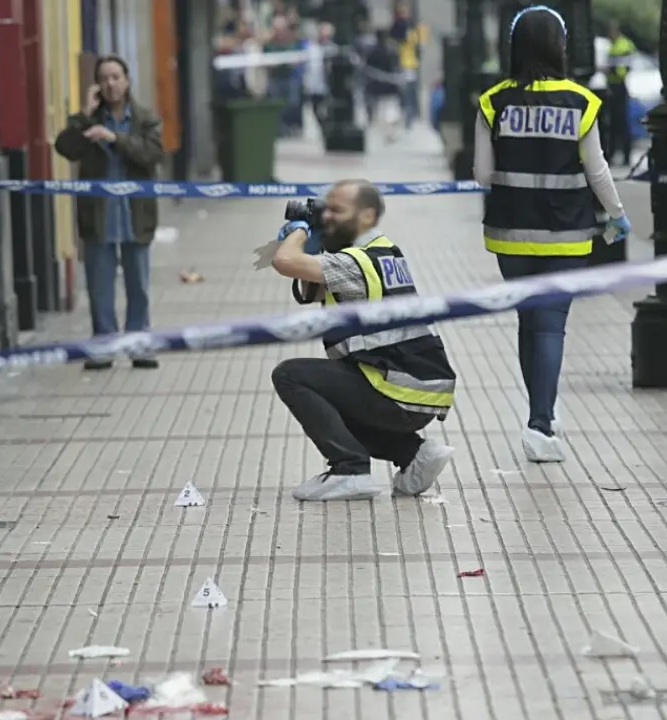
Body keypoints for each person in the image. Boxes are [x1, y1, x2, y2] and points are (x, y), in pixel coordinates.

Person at [473, 5, 632, 462]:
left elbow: (482, 175)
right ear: (559, 46)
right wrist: (617, 214)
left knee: (529, 320)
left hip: (509, 232)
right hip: (565, 232)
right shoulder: (581, 101)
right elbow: (597, 170)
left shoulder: (493, 102)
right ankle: (540, 425)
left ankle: (539, 413)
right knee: (550, 326)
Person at [267, 180, 458, 502]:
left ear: (367, 216)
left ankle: (349, 470)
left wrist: (299, 231)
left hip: (397, 389)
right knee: (332, 394)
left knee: (291, 375)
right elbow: (314, 290)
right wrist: (315, 247)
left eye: (337, 211)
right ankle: (413, 454)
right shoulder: (382, 251)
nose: (327, 217)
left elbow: (284, 261)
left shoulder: (354, 262)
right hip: (415, 385)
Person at [53, 55, 165, 371]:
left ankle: (138, 343)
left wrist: (114, 139)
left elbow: (153, 153)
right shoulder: (88, 122)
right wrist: (84, 115)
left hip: (135, 215)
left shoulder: (145, 119)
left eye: (116, 77)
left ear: (127, 81)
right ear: (97, 85)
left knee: (138, 284)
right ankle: (104, 345)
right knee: (99, 285)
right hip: (99, 216)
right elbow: (65, 147)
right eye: (104, 78)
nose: (111, 84)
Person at [602, 21, 636, 166]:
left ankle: (626, 156)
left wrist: (609, 70)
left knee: (621, 122)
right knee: (613, 122)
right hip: (612, 85)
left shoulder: (623, 45)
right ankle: (612, 155)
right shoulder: (613, 45)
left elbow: (622, 68)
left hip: (619, 86)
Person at [389, 1, 427, 128]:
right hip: (403, 64)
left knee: (411, 92)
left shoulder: (412, 28)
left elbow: (419, 46)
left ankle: (411, 117)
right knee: (406, 93)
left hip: (411, 63)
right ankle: (408, 118)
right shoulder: (400, 27)